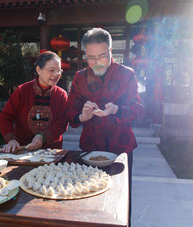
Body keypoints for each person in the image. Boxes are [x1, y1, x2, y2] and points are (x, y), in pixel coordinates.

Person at [65, 28, 143, 225]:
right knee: (90, 196)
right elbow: (69, 112)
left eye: (102, 56)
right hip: (91, 146)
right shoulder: (80, 77)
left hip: (121, 147)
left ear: (110, 52)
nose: (96, 63)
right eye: (91, 58)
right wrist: (82, 116)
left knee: (120, 199)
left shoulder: (127, 74)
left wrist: (116, 109)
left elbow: (138, 109)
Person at [0, 51, 68, 153]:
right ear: (38, 70)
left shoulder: (61, 95)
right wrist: (11, 139)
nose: (56, 74)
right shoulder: (22, 91)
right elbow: (5, 117)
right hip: (23, 149)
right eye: (51, 70)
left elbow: (63, 122)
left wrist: (43, 136)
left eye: (59, 71)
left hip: (51, 151)